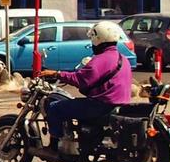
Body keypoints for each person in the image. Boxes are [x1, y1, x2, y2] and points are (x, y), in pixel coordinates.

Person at [39, 20, 133, 150]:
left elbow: (80, 79)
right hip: (119, 104)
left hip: (100, 106)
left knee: (55, 108)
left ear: (98, 39)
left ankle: (54, 147)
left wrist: (57, 74)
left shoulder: (100, 59)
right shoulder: (123, 58)